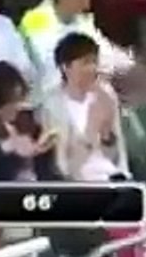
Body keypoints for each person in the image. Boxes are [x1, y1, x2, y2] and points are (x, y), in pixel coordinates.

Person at [18, 0, 134, 100]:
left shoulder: (83, 20)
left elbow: (110, 58)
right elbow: (54, 73)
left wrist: (131, 66)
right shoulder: (35, 20)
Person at [45, 33, 129, 182]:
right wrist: (91, 129)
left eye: (94, 61)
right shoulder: (53, 105)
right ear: (66, 67)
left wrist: (107, 135)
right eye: (85, 63)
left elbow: (117, 152)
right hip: (79, 183)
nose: (92, 68)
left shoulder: (105, 94)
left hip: (113, 176)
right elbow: (63, 165)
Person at [0, 61, 57, 182]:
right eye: (11, 102)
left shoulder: (21, 124)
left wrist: (38, 150)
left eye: (18, 100)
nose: (16, 107)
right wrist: (12, 150)